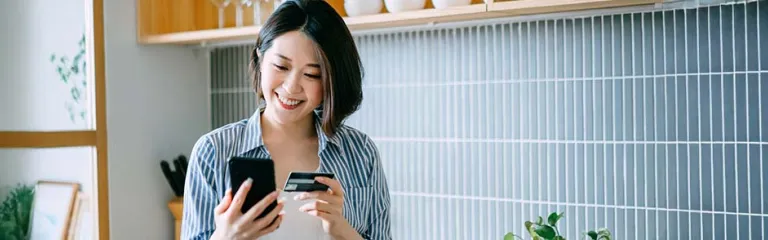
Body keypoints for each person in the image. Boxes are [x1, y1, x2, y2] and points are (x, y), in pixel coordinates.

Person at [180, 0, 392, 239]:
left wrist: (342, 230)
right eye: (281, 66)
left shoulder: (359, 153)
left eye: (312, 74)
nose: (292, 87)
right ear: (260, 59)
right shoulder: (213, 151)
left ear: (331, 81)